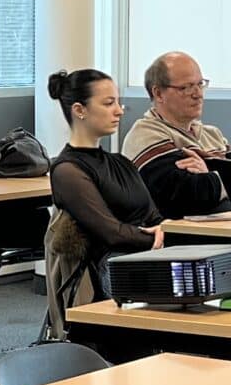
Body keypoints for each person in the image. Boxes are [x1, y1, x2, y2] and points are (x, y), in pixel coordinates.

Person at [44, 68, 163, 329]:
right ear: (80, 110)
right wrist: (157, 238)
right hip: (108, 271)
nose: (119, 111)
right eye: (109, 103)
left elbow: (153, 215)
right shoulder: (67, 170)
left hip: (143, 259)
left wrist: (162, 232)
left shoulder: (121, 163)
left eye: (118, 102)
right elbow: (111, 233)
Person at [122, 51, 231, 218]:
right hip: (182, 232)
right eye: (186, 87)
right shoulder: (146, 135)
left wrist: (209, 175)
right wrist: (221, 179)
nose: (198, 94)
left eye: (200, 84)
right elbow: (186, 195)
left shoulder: (212, 134)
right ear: (158, 93)